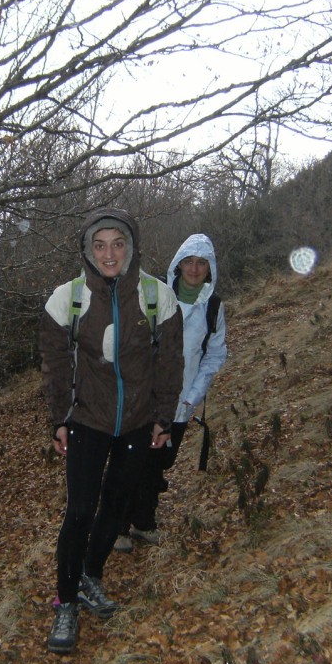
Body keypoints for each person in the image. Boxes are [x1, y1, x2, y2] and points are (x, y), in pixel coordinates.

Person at [39, 208, 184, 655]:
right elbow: (55, 367)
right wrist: (60, 419)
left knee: (116, 506)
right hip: (87, 419)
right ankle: (66, 602)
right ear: (87, 251)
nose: (109, 253)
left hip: (139, 422)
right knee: (80, 511)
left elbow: (170, 362)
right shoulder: (67, 299)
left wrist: (163, 416)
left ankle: (90, 578)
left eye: (117, 244)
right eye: (99, 245)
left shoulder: (157, 296)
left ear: (131, 247)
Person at [116, 233, 228, 551]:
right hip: (143, 399)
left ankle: (144, 521)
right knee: (131, 460)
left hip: (181, 403)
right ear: (178, 265)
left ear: (210, 268)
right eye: (189, 262)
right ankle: (118, 525)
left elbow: (215, 355)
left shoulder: (213, 308)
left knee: (159, 462)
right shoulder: (157, 297)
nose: (194, 269)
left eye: (201, 263)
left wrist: (194, 394)